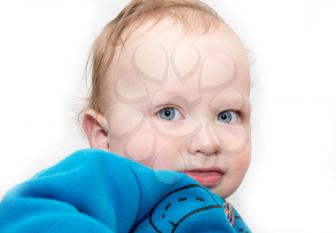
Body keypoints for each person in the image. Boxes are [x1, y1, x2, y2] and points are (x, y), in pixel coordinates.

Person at [0, 0, 252, 232]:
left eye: (227, 116)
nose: (208, 143)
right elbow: (28, 213)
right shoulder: (114, 179)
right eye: (168, 113)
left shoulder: (232, 221)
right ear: (103, 136)